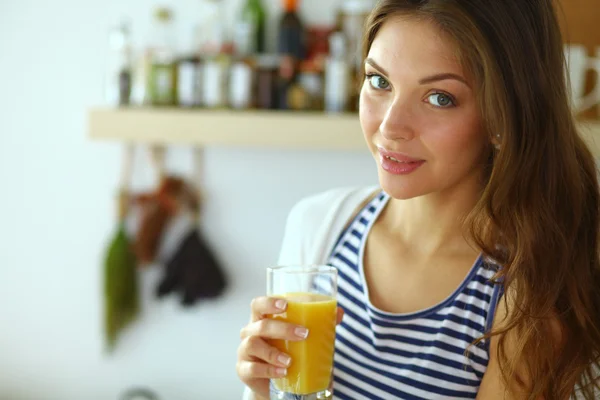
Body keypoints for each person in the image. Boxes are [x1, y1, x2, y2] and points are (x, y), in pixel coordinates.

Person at [236, 0, 600, 398]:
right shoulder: (318, 226)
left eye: (439, 98)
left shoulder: (528, 295)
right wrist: (262, 390)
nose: (391, 127)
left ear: (503, 116)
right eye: (379, 81)